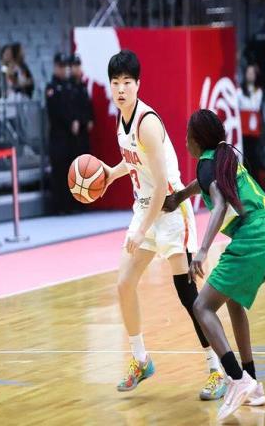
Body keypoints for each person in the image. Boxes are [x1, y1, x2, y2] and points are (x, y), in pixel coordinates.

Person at [101, 50, 225, 398]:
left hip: (170, 211)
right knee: (124, 284)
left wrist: (142, 230)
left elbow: (159, 186)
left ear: (138, 84)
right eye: (115, 83)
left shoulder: (147, 123)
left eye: (127, 82)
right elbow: (134, 160)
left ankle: (217, 368)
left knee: (188, 295)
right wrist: (111, 173)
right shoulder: (122, 120)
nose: (121, 89)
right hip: (145, 209)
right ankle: (141, 359)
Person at [163, 109, 265, 421]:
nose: (185, 140)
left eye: (187, 135)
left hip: (254, 237)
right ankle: (252, 383)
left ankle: (236, 379)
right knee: (232, 301)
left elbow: (218, 203)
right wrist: (180, 196)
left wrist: (202, 251)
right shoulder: (223, 156)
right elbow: (204, 185)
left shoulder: (207, 164)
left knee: (202, 306)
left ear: (196, 140)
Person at [46, 53, 77, 215]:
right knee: (59, 170)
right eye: (61, 66)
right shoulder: (52, 87)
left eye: (66, 66)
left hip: (69, 135)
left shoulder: (69, 86)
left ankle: (69, 204)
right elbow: (55, 111)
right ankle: (58, 206)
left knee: (69, 168)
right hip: (58, 134)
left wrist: (75, 120)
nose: (65, 69)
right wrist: (69, 121)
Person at [237, 64, 263, 183]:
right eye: (248, 73)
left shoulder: (259, 91)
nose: (250, 75)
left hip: (254, 129)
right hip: (243, 128)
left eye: (252, 73)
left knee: (255, 156)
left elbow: (255, 105)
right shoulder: (239, 91)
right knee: (244, 155)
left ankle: (255, 182)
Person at [69, 54, 94, 155]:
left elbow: (87, 103)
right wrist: (73, 120)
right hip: (73, 129)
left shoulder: (83, 85)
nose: (77, 68)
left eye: (78, 65)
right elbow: (68, 106)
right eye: (74, 66)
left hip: (84, 126)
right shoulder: (68, 86)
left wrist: (90, 118)